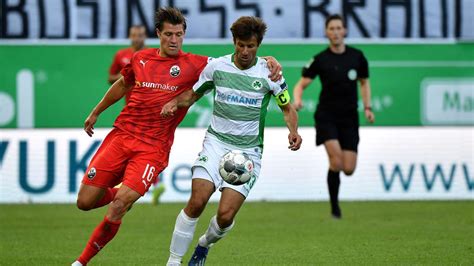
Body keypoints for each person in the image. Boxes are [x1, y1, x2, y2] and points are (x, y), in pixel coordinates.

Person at [71, 7, 282, 266]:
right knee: (84, 201)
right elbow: (122, 84)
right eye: (169, 34)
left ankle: (80, 262)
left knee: (118, 208)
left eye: (179, 34)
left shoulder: (197, 64)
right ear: (158, 34)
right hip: (121, 135)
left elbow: (238, 61)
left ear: (184, 35)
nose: (174, 40)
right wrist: (96, 112)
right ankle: (122, 196)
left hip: (153, 147)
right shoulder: (140, 59)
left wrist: (268, 60)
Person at [161, 16, 302, 266]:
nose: (245, 51)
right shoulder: (218, 67)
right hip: (216, 144)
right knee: (197, 200)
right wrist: (174, 102)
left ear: (258, 45)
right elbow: (193, 94)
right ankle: (173, 261)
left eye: (251, 46)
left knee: (225, 216)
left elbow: (287, 107)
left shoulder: (271, 74)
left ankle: (204, 244)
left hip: (248, 152)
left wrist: (293, 131)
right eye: (240, 45)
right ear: (234, 42)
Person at [292, 14, 375, 219]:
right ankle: (335, 208)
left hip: (349, 118)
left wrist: (367, 107)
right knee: (336, 162)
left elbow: (364, 82)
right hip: (326, 116)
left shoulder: (357, 57)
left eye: (339, 28)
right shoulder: (320, 59)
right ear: (326, 32)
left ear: (345, 31)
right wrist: (297, 99)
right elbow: (301, 84)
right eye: (332, 28)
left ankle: (335, 188)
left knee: (348, 168)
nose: (336, 32)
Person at [108, 25, 147, 104]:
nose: (137, 39)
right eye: (133, 35)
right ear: (129, 36)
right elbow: (110, 79)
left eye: (140, 35)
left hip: (150, 104)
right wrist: (126, 75)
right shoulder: (121, 55)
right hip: (130, 104)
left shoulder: (153, 55)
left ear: (145, 36)